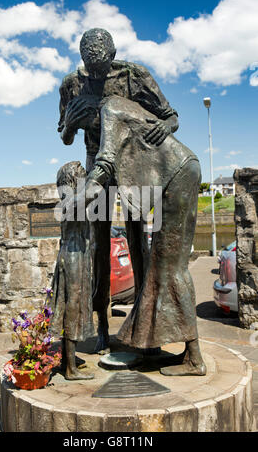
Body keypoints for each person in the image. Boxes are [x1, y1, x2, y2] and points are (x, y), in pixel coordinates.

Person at [58, 28, 179, 354]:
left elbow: (171, 118)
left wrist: (160, 130)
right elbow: (64, 136)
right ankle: (102, 328)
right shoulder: (71, 84)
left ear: (112, 57)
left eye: (101, 68)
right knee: (97, 250)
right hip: (97, 172)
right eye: (90, 68)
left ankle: (145, 328)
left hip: (135, 169)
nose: (95, 75)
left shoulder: (134, 75)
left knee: (140, 246)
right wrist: (70, 123)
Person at [68, 94, 207, 376]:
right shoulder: (120, 106)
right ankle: (157, 341)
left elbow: (104, 164)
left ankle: (194, 359)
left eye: (86, 127)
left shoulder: (108, 110)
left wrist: (76, 202)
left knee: (170, 268)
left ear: (88, 115)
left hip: (176, 176)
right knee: (165, 267)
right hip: (182, 171)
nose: (91, 135)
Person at [49, 161, 94, 380]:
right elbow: (94, 191)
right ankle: (70, 369)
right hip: (74, 258)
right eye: (82, 176)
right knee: (72, 307)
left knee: (71, 306)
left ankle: (68, 359)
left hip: (77, 257)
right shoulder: (72, 201)